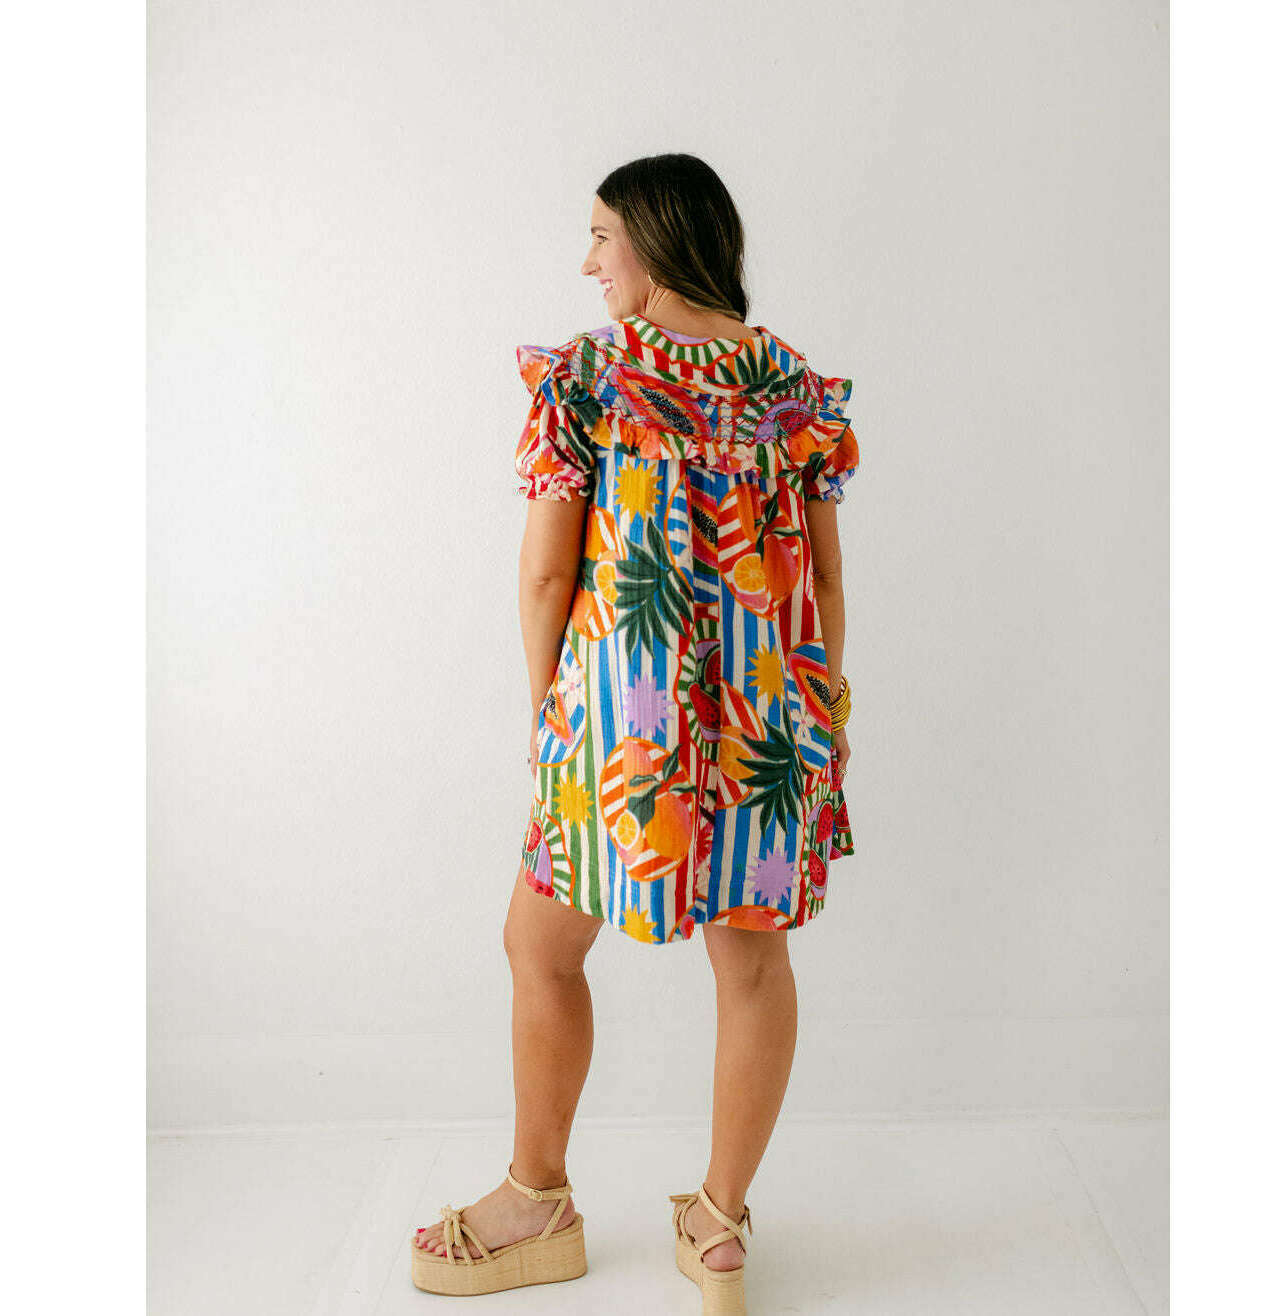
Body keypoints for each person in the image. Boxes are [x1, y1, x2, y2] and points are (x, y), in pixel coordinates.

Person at [411, 153, 859, 1309]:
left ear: (654, 240)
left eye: (601, 235)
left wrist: (549, 711)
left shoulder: (589, 377)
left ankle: (535, 1198)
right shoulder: (790, 387)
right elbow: (821, 576)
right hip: (771, 719)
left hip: (623, 722)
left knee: (538, 945)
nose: (587, 260)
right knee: (752, 963)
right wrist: (826, 705)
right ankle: (718, 1226)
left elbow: (545, 573)